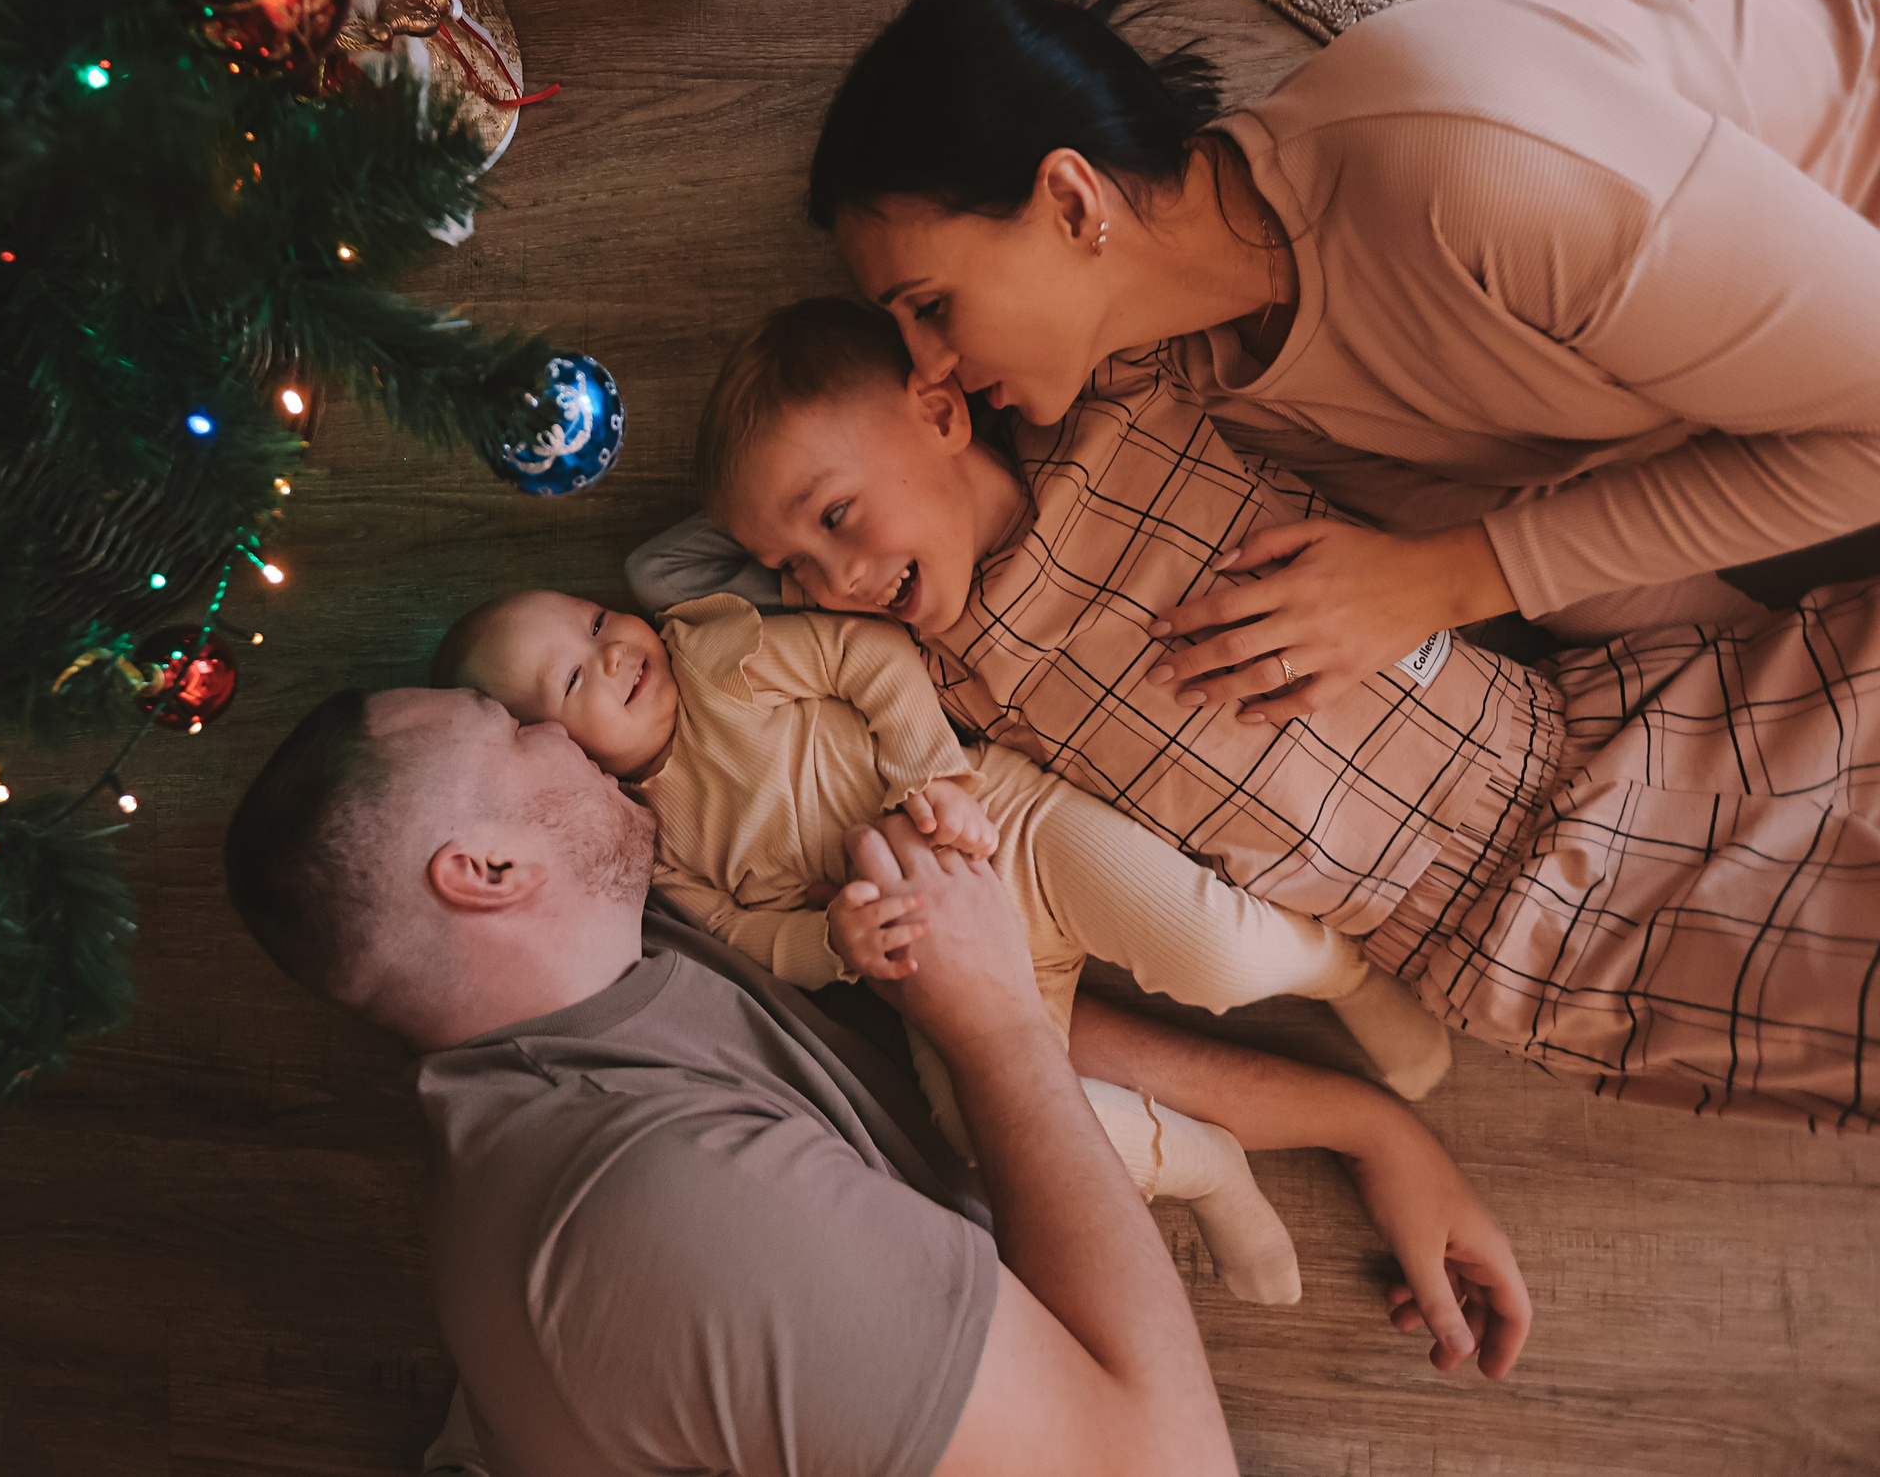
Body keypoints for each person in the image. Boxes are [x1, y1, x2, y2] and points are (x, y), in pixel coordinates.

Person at [223, 685, 1530, 1476]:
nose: (558, 722)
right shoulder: (661, 1213)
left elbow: (996, 1063)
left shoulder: (621, 976)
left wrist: (1362, 1123)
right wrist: (1001, 1020)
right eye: (515, 731)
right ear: (488, 870)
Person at [650, 295, 1880, 1132]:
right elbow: (671, 588)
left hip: (1579, 727)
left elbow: (1130, 287)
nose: (834, 582)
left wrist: (930, 324)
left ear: (938, 407)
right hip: (1489, 930)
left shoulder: (1117, 408)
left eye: (832, 519)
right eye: (796, 569)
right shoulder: (944, 677)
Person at [805, 0, 1880, 719]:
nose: (926, 366)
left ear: (1073, 202)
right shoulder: (1216, 376)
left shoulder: (1475, 173)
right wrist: (1790, 689)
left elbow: (1494, 558)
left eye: (930, 305)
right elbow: (1571, 557)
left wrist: (1446, 581)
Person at [431, 585, 1462, 1301]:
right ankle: (1203, 1167)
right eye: (574, 679)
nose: (614, 648)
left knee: (1219, 954)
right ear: (564, 761)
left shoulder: (716, 656)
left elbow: (867, 657)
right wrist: (828, 942)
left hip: (1003, 831)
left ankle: (1343, 972)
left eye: (597, 619)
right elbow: (742, 933)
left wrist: (931, 777)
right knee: (990, 1143)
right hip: (928, 966)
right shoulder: (652, 848)